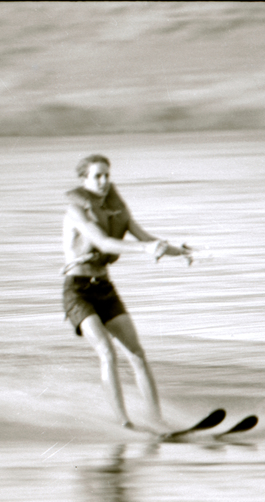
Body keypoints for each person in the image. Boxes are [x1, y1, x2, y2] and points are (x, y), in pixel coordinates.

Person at [61, 154, 192, 431]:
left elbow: (146, 238)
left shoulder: (115, 209)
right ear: (84, 180)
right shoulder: (76, 211)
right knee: (107, 352)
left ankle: (158, 420)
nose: (104, 181)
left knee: (136, 354)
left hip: (105, 288)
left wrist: (180, 251)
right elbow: (102, 242)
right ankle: (124, 423)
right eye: (97, 176)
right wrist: (145, 250)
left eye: (107, 175)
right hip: (78, 291)